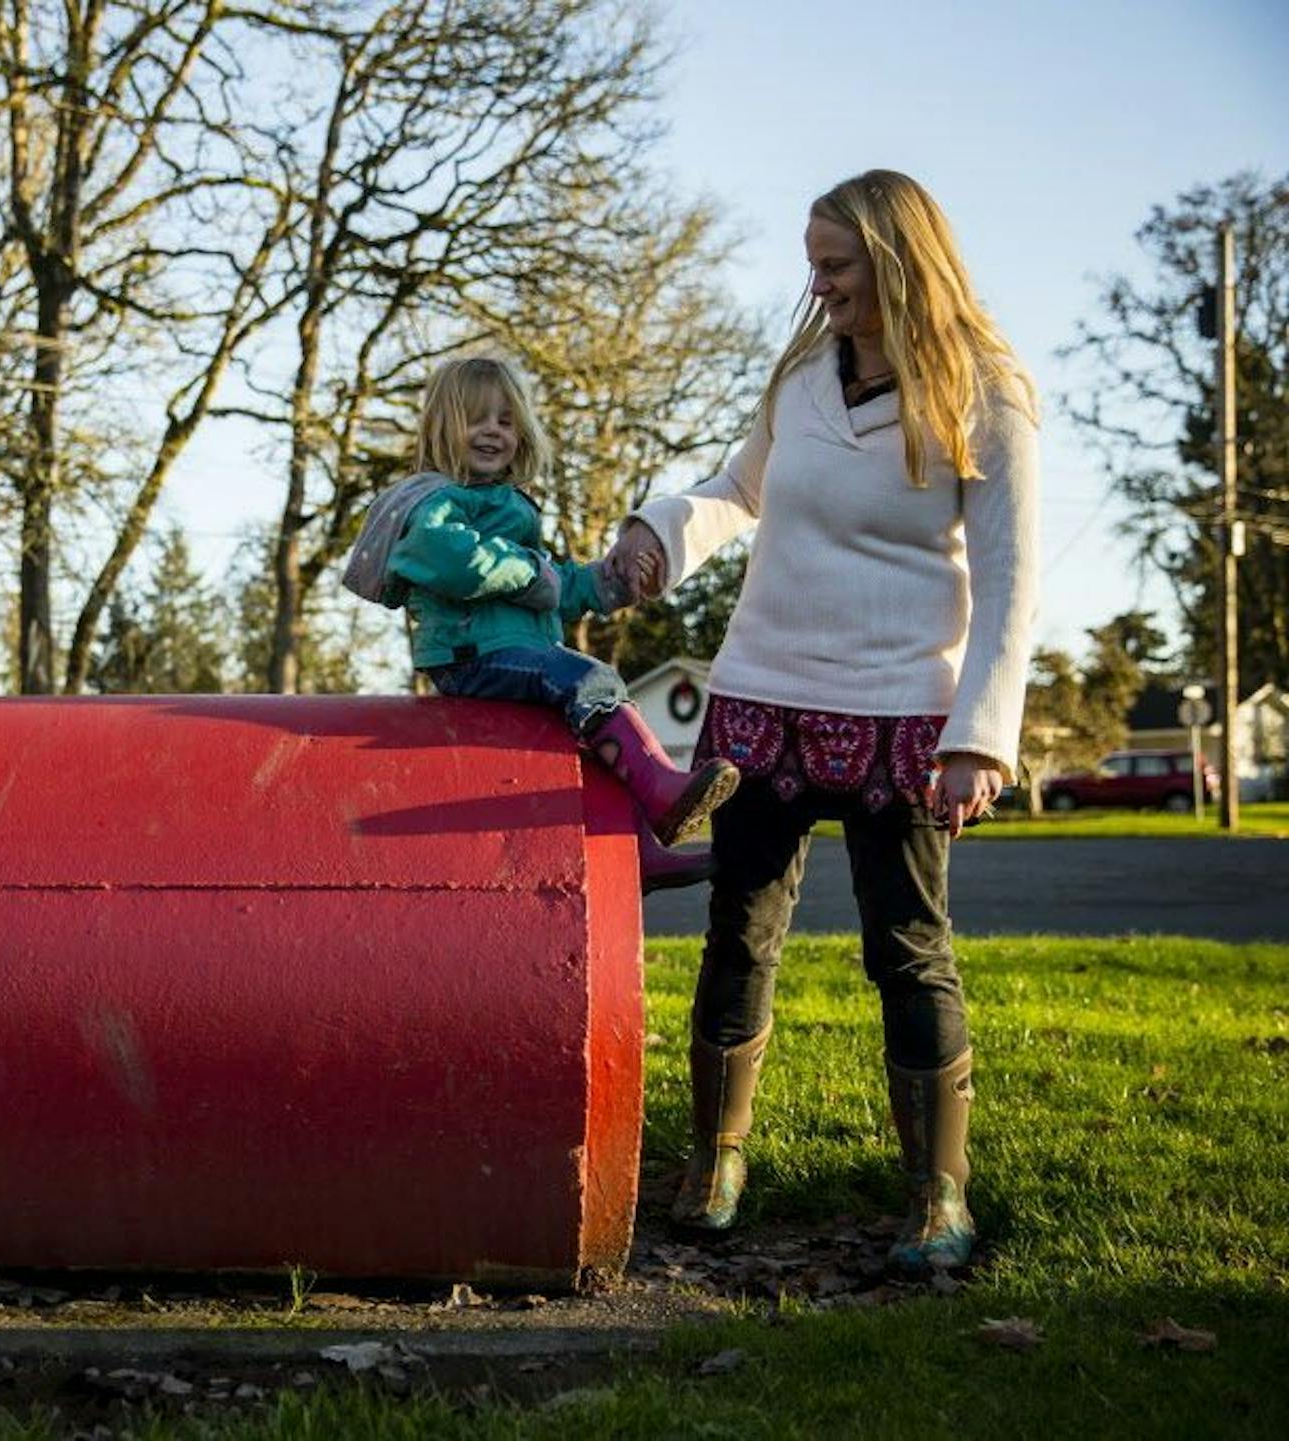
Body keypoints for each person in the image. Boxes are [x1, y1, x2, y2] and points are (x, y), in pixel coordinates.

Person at [603, 170, 1038, 1274]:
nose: (819, 283)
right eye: (815, 260)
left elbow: (1010, 574)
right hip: (762, 703)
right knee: (739, 932)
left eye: (837, 263)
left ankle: (940, 1194)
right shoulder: (801, 377)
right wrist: (659, 533)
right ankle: (716, 1161)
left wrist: (979, 735)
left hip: (902, 715)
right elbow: (733, 489)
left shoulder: (985, 390)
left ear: (898, 262)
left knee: (908, 949)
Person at [344, 355, 740, 891]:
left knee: (594, 732)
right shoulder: (434, 500)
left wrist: (612, 581)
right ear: (443, 428)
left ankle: (636, 849)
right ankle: (664, 795)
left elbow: (556, 586)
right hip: (471, 655)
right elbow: (450, 559)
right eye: (476, 419)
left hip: (511, 648)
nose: (492, 432)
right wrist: (533, 572)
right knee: (589, 682)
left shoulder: (508, 506)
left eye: (505, 421)